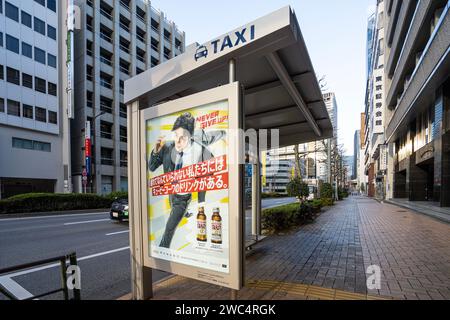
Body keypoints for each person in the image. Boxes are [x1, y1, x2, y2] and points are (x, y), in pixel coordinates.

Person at [148, 112, 226, 248]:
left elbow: (205, 181)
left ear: (190, 137)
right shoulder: (167, 147)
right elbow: (152, 167)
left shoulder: (202, 153)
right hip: (172, 193)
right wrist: (155, 151)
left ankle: (162, 248)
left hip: (182, 198)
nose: (178, 141)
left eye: (182, 138)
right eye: (176, 135)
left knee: (169, 227)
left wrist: (201, 205)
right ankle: (185, 212)